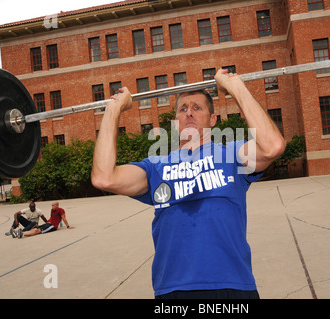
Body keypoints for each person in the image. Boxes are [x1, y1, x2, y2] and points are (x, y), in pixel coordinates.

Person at [91, 68, 286, 299]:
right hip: (174, 290)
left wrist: (235, 87)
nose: (189, 113)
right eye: (183, 109)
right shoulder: (155, 166)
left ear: (213, 120)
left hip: (233, 286)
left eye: (197, 108)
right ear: (175, 123)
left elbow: (273, 146)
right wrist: (113, 109)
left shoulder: (232, 154)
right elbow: (104, 177)